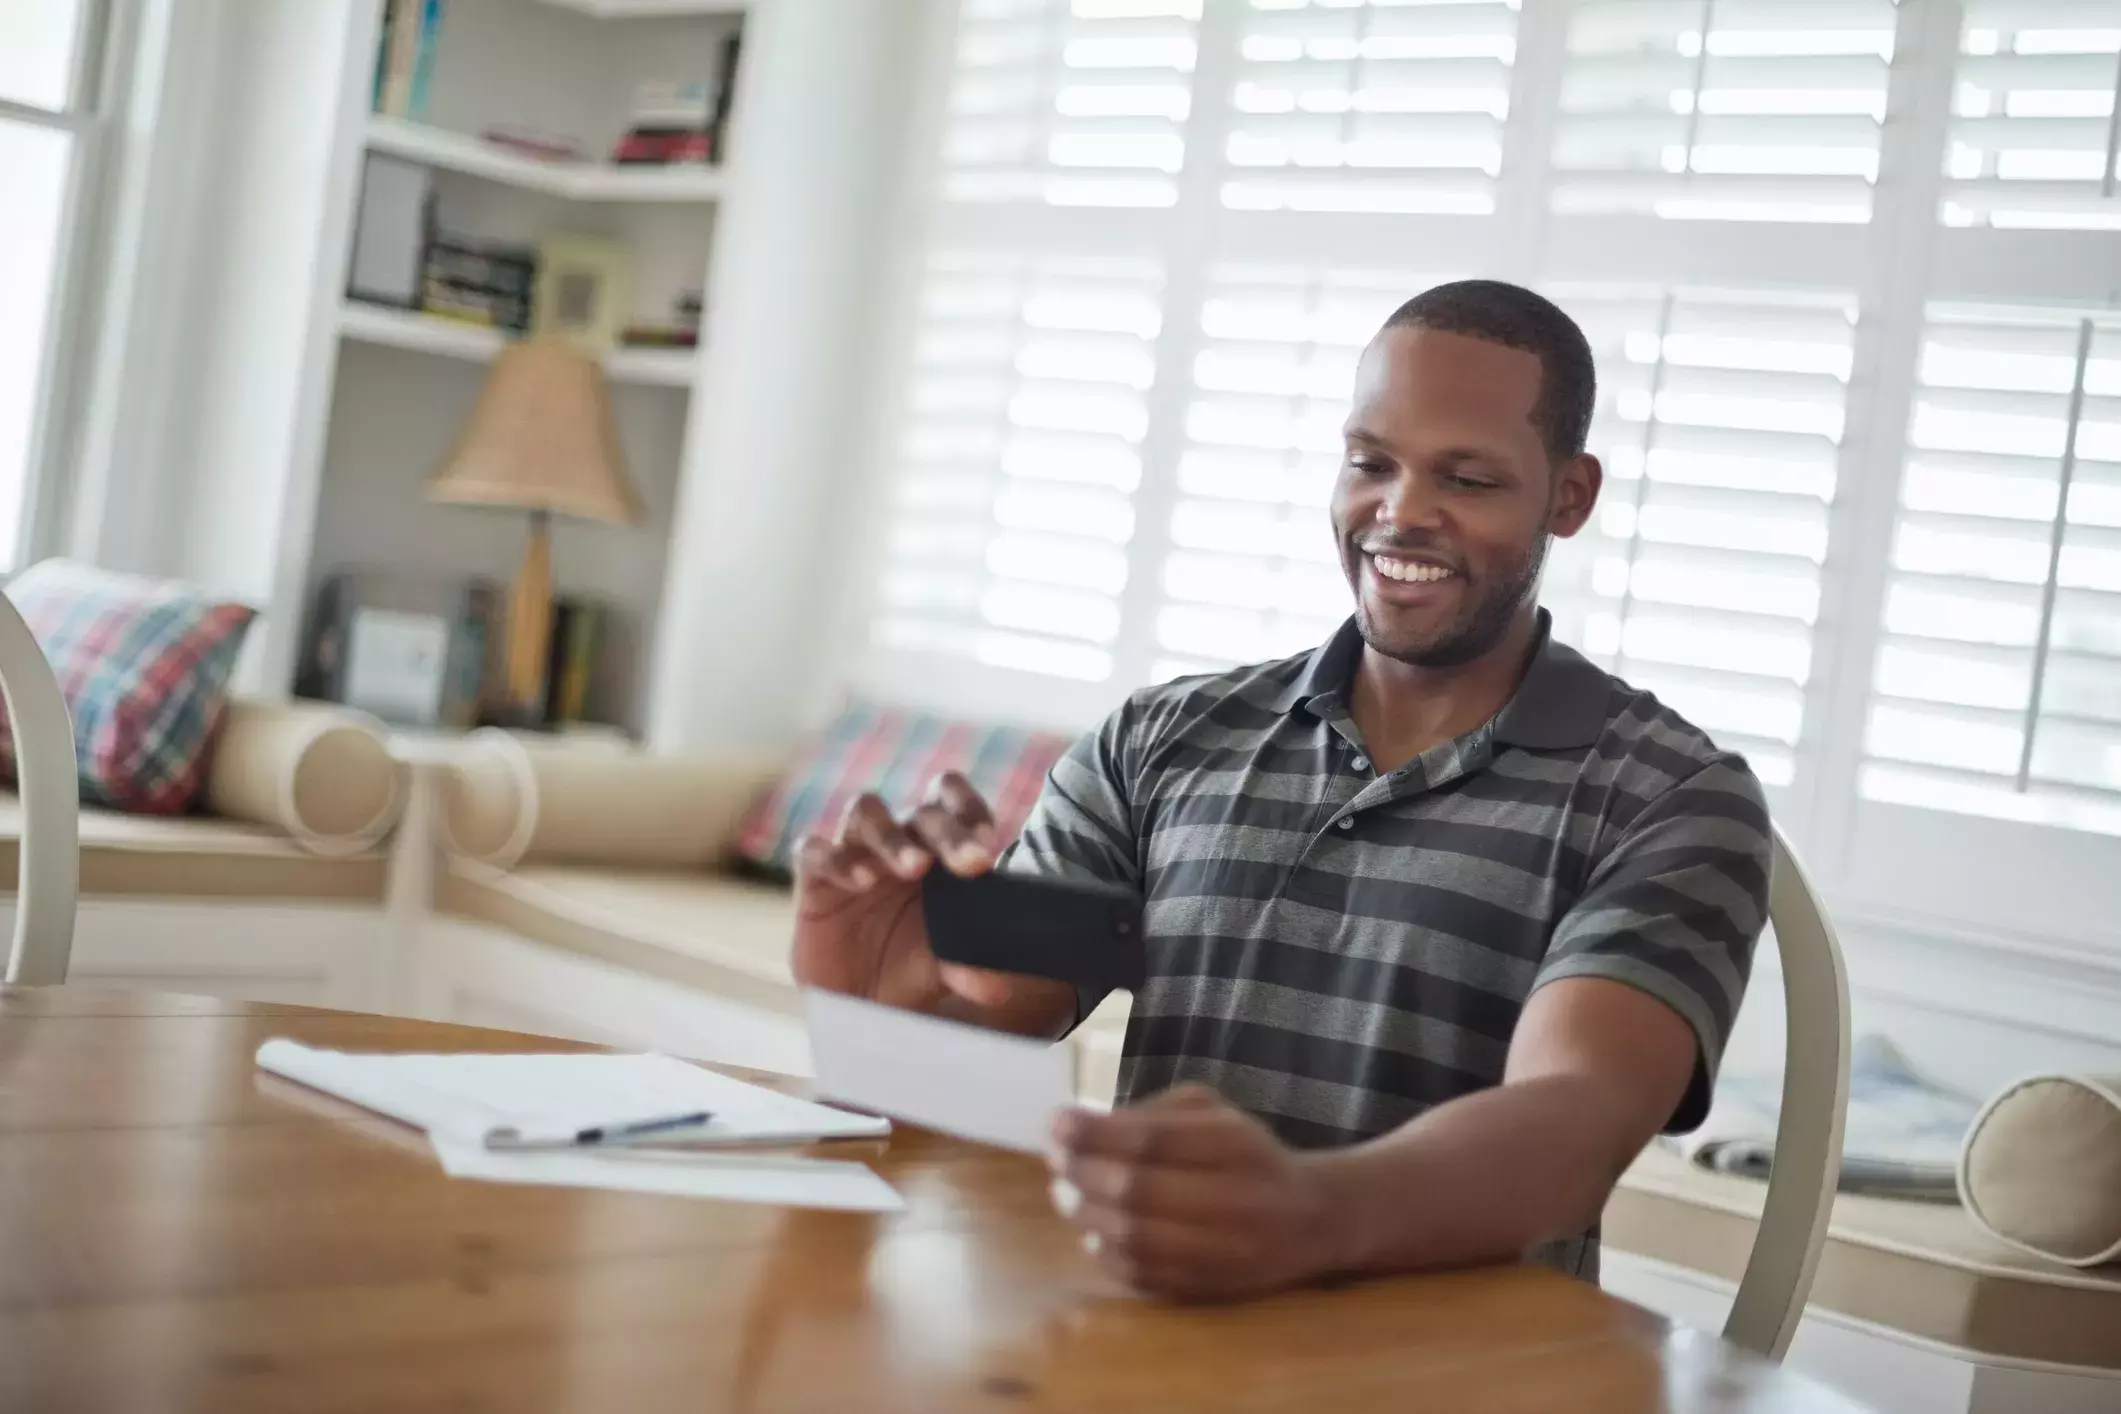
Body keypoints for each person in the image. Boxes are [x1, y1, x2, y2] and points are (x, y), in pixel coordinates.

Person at [794, 279, 1770, 1301]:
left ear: (1568, 497)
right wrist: (874, 991)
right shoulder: (1162, 742)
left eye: (1469, 479)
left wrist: (1310, 1213)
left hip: (1467, 1375)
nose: (1400, 513)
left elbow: (1575, 1122)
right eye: (1371, 464)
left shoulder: (1668, 797)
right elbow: (985, 1026)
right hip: (1155, 1347)